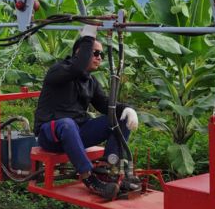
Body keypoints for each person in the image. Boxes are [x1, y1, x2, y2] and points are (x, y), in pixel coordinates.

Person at [33, 25, 139, 200]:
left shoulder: (90, 81)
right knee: (67, 123)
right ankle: (89, 178)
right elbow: (76, 68)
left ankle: (108, 170)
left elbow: (105, 104)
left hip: (77, 133)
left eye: (101, 55)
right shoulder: (59, 70)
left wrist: (127, 109)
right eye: (95, 53)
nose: (99, 58)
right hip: (51, 135)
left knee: (119, 118)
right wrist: (89, 36)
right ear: (79, 53)